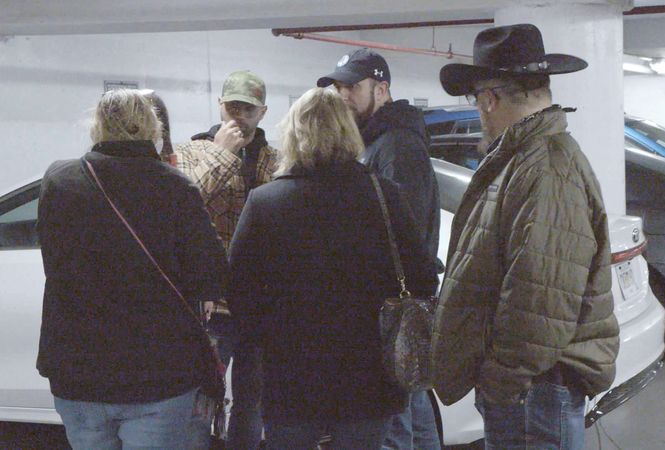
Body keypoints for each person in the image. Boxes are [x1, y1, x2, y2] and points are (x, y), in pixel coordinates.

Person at [431, 24, 621, 450]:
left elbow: (541, 294)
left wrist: (501, 379)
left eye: (477, 99)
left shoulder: (544, 167)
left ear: (489, 99)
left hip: (533, 388)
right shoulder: (529, 159)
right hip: (531, 385)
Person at [227, 87, 439, 450]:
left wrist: (268, 333)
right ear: (348, 131)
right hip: (368, 374)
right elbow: (422, 276)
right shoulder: (382, 195)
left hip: (291, 373)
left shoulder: (265, 202)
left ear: (292, 134)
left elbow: (237, 289)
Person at [36, 88, 229, 450]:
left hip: (78, 371)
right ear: (152, 128)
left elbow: (54, 260)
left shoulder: (59, 181)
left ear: (97, 126)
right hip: (158, 373)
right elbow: (211, 275)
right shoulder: (176, 186)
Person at [317, 47, 442, 450]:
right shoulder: (379, 141)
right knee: (411, 407)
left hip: (391, 308)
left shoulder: (397, 146)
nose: (341, 95)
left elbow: (402, 232)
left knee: (392, 423)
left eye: (351, 86)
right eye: (337, 87)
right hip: (392, 307)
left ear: (382, 89)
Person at [173, 70, 276, 449]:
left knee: (252, 401)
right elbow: (181, 207)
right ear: (220, 106)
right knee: (203, 400)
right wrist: (221, 153)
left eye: (247, 109)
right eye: (232, 106)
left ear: (262, 112)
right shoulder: (191, 152)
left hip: (259, 304)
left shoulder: (275, 160)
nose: (238, 116)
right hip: (211, 305)